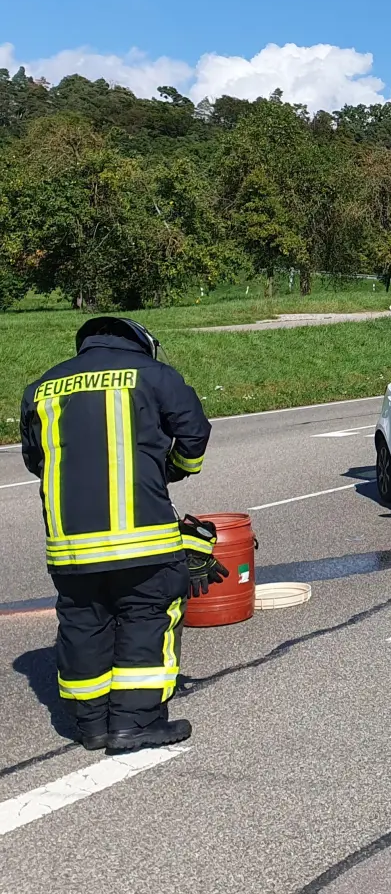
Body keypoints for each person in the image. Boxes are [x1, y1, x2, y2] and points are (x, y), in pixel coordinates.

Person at [21, 317, 214, 753]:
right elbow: (194, 433)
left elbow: (34, 458)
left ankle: (90, 726)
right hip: (143, 539)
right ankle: (135, 724)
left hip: (69, 545)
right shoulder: (154, 375)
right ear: (141, 343)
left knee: (82, 621)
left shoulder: (42, 388)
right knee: (146, 618)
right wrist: (171, 471)